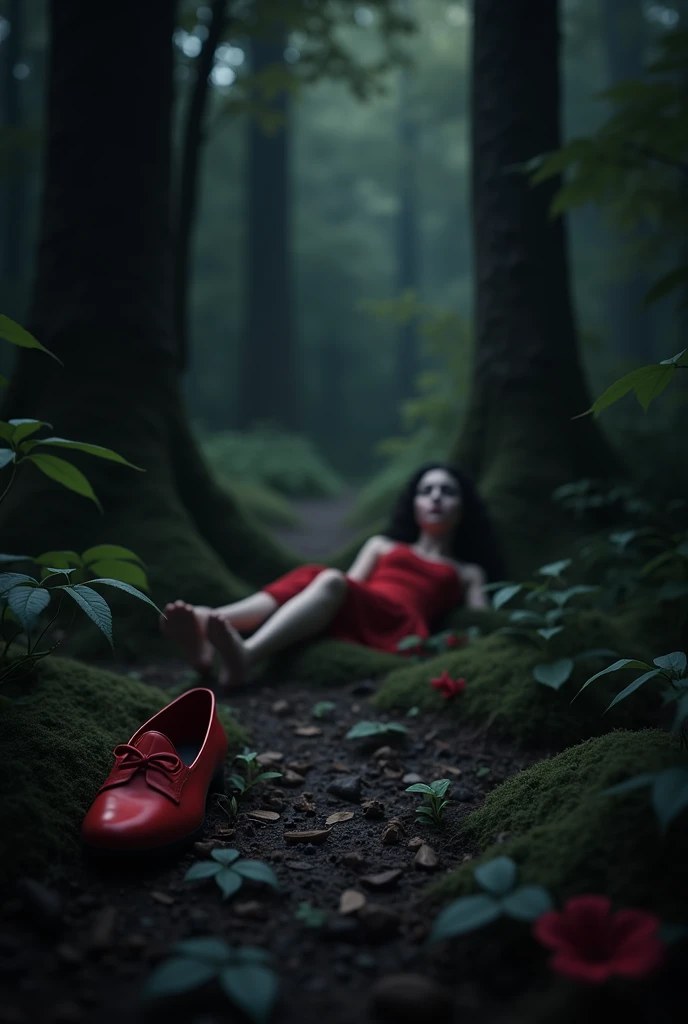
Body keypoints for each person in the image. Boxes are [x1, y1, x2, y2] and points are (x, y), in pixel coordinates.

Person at [160, 462, 505, 688]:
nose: (435, 498)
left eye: (447, 491)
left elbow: (479, 620)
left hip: (399, 623)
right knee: (319, 578)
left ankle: (242, 652)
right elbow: (351, 582)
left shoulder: (467, 571)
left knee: (326, 579)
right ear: (413, 505)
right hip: (361, 607)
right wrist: (331, 591)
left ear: (463, 506)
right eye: (426, 490)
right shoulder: (382, 545)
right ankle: (207, 630)